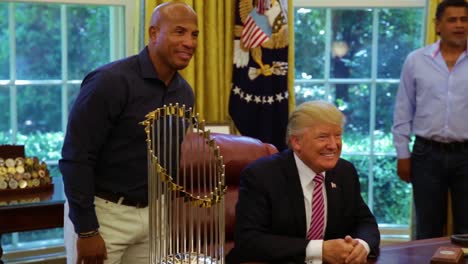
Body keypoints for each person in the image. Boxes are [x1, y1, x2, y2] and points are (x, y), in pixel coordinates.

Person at [59, 1, 198, 263]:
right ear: (154, 33)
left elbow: (166, 162)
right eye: (179, 32)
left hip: (154, 217)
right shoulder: (109, 81)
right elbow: (76, 157)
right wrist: (87, 230)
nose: (189, 42)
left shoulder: (185, 94)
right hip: (103, 214)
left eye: (194, 34)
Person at [226, 101, 380, 264]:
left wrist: (361, 246)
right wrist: (319, 250)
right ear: (296, 142)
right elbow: (249, 240)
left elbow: (365, 222)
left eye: (338, 135)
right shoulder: (261, 175)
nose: (333, 145)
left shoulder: (344, 172)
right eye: (323, 137)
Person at [392, 0, 468, 239]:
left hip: (467, 155)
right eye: (452, 19)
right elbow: (403, 109)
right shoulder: (416, 60)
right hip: (426, 154)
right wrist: (403, 154)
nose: (459, 25)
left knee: (467, 229)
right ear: (438, 25)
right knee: (428, 228)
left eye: (464, 20)